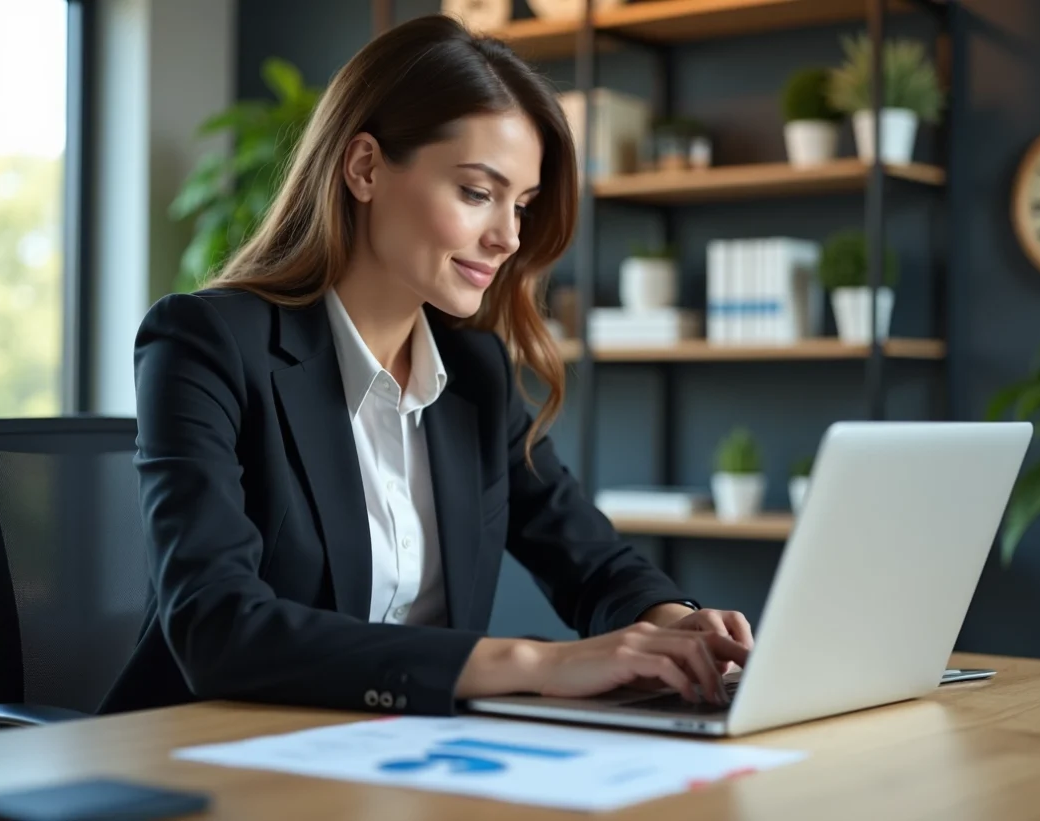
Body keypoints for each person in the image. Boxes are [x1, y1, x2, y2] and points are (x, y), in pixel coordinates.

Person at [99, 14, 753, 718]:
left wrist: (673, 620)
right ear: (365, 168)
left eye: (523, 205)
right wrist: (536, 662)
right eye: (477, 193)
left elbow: (590, 559)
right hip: (199, 760)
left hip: (399, 760)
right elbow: (216, 626)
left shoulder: (474, 373)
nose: (507, 237)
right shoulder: (205, 341)